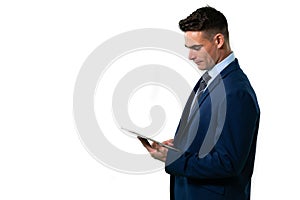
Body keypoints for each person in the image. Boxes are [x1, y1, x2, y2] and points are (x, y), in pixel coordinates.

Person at [139, 6, 260, 200]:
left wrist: (174, 159)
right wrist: (179, 146)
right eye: (189, 48)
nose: (191, 56)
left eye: (196, 48)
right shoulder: (210, 78)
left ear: (218, 40)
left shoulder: (236, 92)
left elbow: (228, 163)